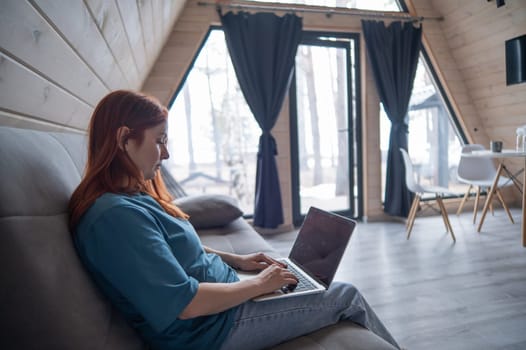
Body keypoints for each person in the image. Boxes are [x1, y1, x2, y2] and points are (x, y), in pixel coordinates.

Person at [69, 90, 401, 350]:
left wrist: (238, 259)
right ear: (124, 139)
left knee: (307, 280)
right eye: (159, 140)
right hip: (211, 330)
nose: (166, 154)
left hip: (223, 305)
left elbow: (176, 254)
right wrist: (257, 285)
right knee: (345, 295)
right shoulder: (114, 219)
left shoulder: (131, 197)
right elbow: (184, 304)